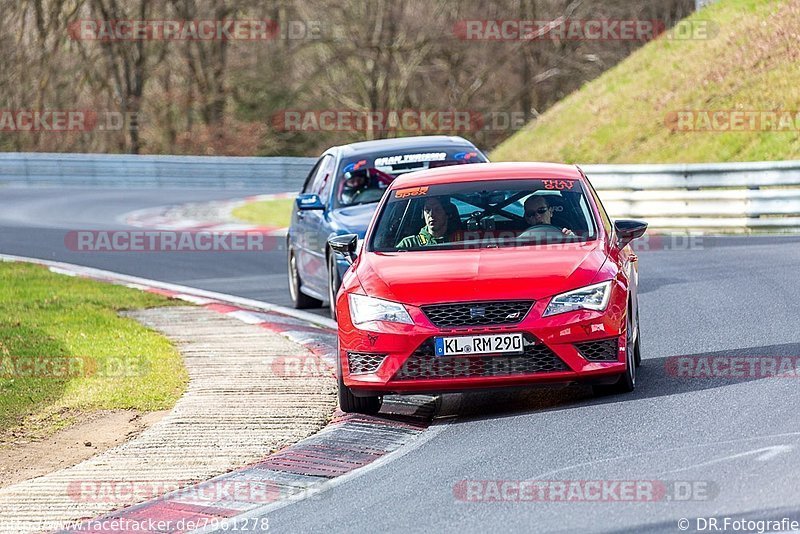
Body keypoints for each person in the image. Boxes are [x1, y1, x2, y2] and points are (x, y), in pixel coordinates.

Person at [396, 197, 461, 248]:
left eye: (437, 209)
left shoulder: (463, 241)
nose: (431, 214)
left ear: (447, 214)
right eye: (427, 210)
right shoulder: (408, 244)